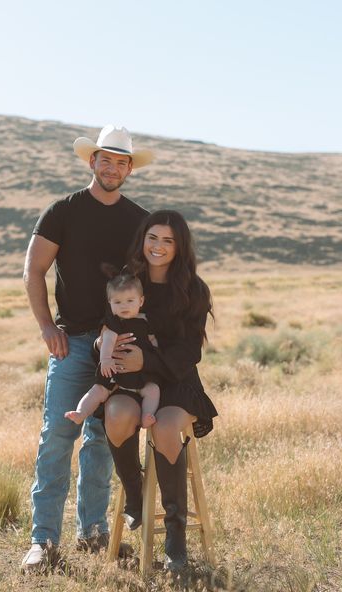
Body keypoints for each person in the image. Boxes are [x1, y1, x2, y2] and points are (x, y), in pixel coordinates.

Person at [21, 125, 154, 572]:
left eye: (122, 162)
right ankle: (43, 541)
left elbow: (153, 282)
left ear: (130, 169)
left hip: (120, 344)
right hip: (72, 342)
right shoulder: (63, 211)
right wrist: (46, 327)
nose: (113, 167)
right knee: (58, 437)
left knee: (101, 438)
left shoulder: (140, 219)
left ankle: (93, 530)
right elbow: (33, 270)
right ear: (91, 161)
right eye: (106, 159)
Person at [102, 210, 218, 570]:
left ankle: (175, 539)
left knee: (166, 428)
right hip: (131, 381)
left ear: (179, 246)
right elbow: (107, 326)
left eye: (168, 240)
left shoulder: (194, 290)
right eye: (153, 237)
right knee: (118, 414)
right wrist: (108, 351)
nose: (159, 246)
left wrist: (146, 363)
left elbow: (189, 353)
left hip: (177, 381)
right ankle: (136, 499)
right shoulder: (128, 281)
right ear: (143, 239)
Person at [64, 272, 160, 429]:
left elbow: (152, 340)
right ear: (110, 303)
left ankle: (146, 416)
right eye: (118, 302)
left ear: (141, 301)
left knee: (153, 390)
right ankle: (81, 413)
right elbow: (107, 342)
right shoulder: (113, 324)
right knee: (98, 391)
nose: (124, 306)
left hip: (139, 374)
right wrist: (106, 359)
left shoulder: (145, 321)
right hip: (114, 372)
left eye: (130, 300)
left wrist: (155, 353)